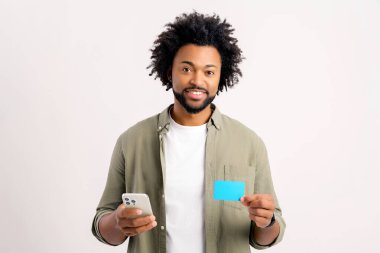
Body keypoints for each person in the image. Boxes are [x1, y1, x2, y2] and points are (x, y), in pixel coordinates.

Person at [92, 11, 285, 253]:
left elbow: (266, 237)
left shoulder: (249, 143)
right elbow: (104, 225)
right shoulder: (132, 142)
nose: (197, 80)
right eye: (186, 69)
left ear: (220, 77)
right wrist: (118, 222)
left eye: (209, 72)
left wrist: (267, 221)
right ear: (168, 71)